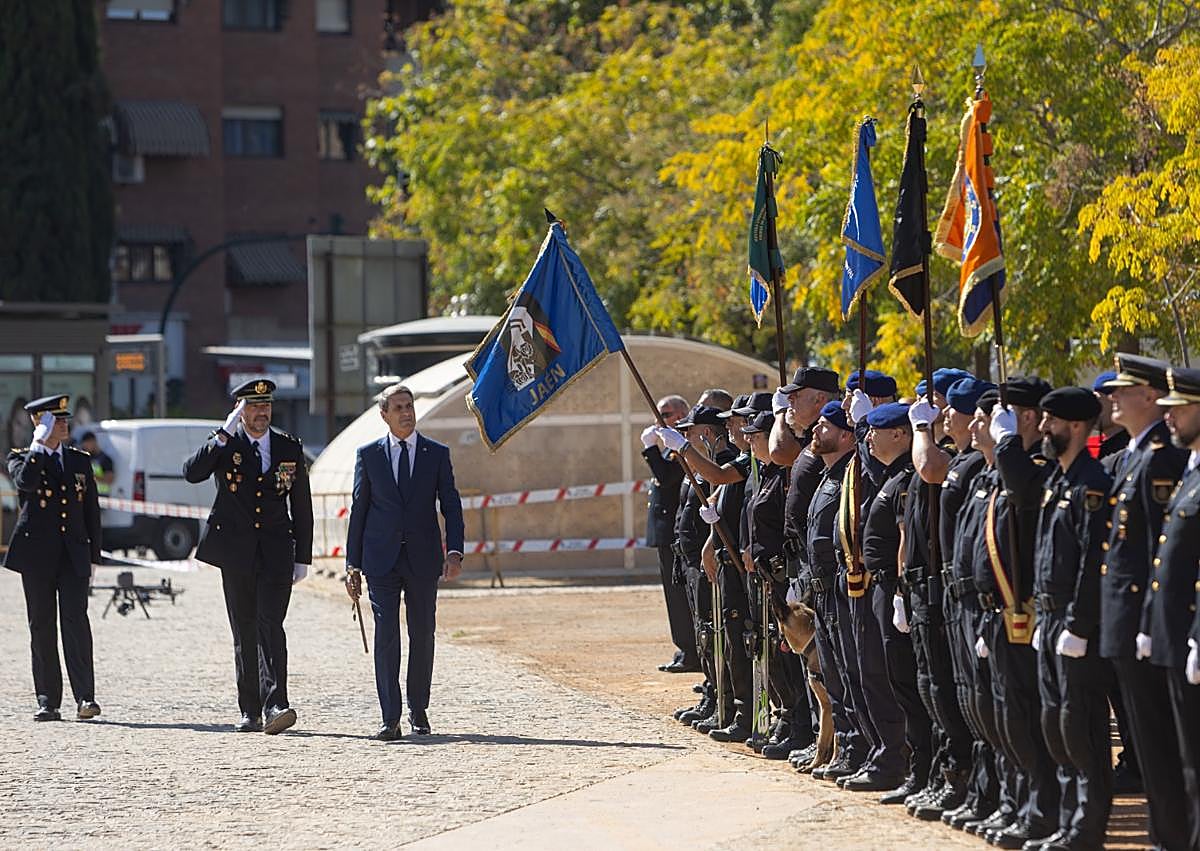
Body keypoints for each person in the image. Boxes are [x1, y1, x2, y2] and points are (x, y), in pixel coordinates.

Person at [1096, 354, 1191, 849]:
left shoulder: (1160, 458)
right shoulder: (1136, 455)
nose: (1112, 398)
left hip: (1149, 623)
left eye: (1123, 389)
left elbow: (1160, 551)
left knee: (1162, 745)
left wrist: (1147, 623)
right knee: (1149, 745)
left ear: (1149, 396)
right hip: (1131, 622)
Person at [183, 378, 313, 735]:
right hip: (236, 551)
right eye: (253, 407)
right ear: (240, 411)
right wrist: (222, 435)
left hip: (276, 550)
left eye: (266, 405)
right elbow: (192, 473)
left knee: (271, 624)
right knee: (245, 628)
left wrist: (303, 556)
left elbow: (301, 505)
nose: (261, 413)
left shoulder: (288, 447)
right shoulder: (226, 444)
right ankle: (250, 709)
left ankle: (277, 704)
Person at [344, 383, 465, 740]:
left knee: (422, 633)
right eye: (397, 408)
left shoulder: (436, 454)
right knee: (386, 635)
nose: (406, 413)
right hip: (380, 559)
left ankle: (418, 709)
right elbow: (359, 511)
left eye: (409, 406)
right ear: (384, 415)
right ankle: (390, 717)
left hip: (423, 559)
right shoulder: (369, 456)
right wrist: (352, 565)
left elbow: (451, 505)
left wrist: (454, 551)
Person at [4, 395, 102, 722]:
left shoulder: (78, 460)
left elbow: (91, 511)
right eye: (55, 420)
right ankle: (48, 700)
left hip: (72, 553)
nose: (64, 425)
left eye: (64, 419)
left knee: (76, 623)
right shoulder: (22, 457)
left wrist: (94, 556)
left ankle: (85, 697)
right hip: (37, 555)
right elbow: (25, 483)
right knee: (42, 625)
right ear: (39, 423)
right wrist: (38, 445)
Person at [1143, 365, 1200, 849]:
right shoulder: (1190, 472)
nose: (1169, 417)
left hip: (1191, 635)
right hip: (1172, 636)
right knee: (1183, 757)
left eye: (1179, 408)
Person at [639, 394, 698, 673]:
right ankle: (684, 648)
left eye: (665, 414)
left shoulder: (681, 448)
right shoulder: (670, 449)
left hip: (676, 533)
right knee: (673, 598)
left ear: (681, 416)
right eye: (658, 415)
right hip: (666, 533)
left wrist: (650, 448)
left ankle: (691, 652)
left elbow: (667, 477)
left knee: (680, 596)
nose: (658, 420)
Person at [78, 432, 113, 498]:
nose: (85, 448)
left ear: (93, 442)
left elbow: (109, 480)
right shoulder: (87, 458)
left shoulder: (105, 460)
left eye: (87, 445)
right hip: (89, 495)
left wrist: (90, 477)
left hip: (102, 496)